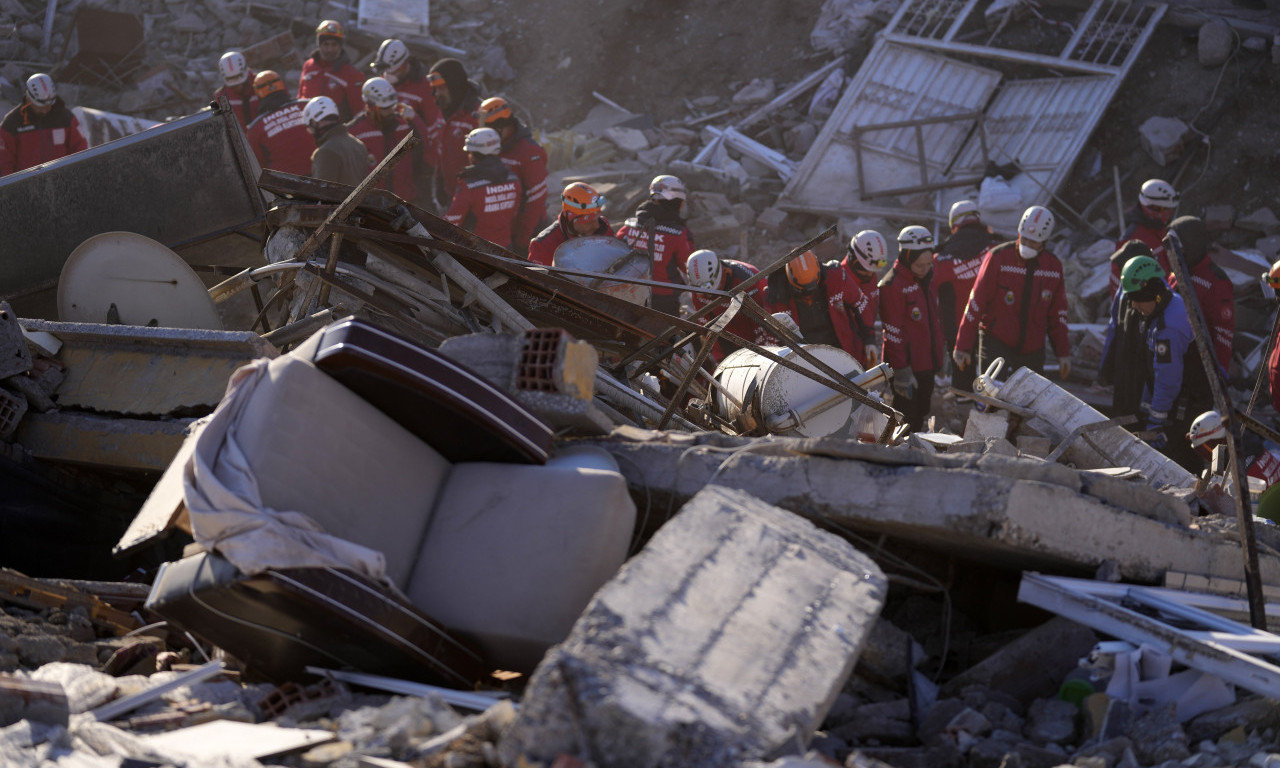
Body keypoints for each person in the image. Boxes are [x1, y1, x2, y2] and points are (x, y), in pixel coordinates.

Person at [954, 205, 1071, 383]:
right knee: (991, 398)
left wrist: (1063, 353)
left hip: (1032, 349)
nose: (1027, 245)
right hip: (995, 341)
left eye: (1033, 242)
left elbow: (1058, 315)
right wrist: (963, 346)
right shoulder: (998, 258)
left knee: (1027, 404)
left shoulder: (1053, 268)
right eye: (1024, 239)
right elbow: (976, 303)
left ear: (1045, 241)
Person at [1105, 255, 1201, 464]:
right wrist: (1146, 407)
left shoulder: (1169, 327)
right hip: (1173, 397)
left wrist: (1156, 421)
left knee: (1177, 456)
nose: (1133, 306)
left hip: (1186, 402)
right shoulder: (1160, 310)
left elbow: (1168, 380)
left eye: (1137, 299)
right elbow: (1154, 370)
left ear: (1153, 293)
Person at [879, 226, 946, 432]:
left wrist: (940, 356)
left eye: (928, 264)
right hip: (906, 366)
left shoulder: (926, 278)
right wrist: (901, 371)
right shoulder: (892, 285)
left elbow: (934, 320)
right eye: (919, 265)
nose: (925, 269)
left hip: (926, 361)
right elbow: (893, 333)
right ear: (906, 256)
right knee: (906, 418)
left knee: (923, 411)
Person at [934, 199, 1000, 393]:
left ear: (954, 226)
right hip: (994, 331)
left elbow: (931, 297)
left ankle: (963, 415)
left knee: (963, 389)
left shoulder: (941, 258)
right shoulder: (996, 249)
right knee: (995, 386)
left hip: (957, 333)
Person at [766, 249, 873, 360]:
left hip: (844, 352)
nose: (809, 295)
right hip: (805, 361)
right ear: (790, 280)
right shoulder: (776, 296)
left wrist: (870, 339)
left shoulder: (836, 276)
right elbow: (771, 339)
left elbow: (860, 302)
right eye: (803, 291)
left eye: (812, 288)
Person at [371, 38, 442, 201]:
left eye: (392, 72)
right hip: (384, 153)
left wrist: (428, 163)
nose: (387, 77)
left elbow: (434, 127)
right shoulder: (382, 81)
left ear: (403, 66)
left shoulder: (425, 88)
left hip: (414, 159)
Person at [615, 174, 695, 316]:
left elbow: (613, 255)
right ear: (677, 202)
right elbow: (690, 268)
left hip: (627, 295)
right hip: (663, 301)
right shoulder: (678, 234)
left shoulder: (628, 226)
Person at [476, 96, 548, 253]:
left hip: (529, 230)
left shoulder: (529, 151)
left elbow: (536, 200)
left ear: (502, 126)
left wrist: (522, 241)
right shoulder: (497, 147)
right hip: (505, 230)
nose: (488, 137)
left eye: (491, 131)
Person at [347, 77, 434, 203]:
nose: (391, 111)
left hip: (406, 198)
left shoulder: (404, 123)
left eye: (392, 106)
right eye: (385, 108)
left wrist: (415, 119)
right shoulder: (355, 132)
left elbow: (425, 145)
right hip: (373, 202)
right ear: (371, 107)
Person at [1166, 215, 1234, 375]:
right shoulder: (1177, 272)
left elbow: (1223, 330)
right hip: (1171, 357)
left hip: (1198, 366)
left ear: (1192, 245)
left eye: (1179, 248)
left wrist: (1220, 368)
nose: (1174, 253)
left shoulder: (1216, 281)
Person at [1098, 240, 1157, 422]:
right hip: (1123, 373)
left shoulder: (1157, 297)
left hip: (1143, 381)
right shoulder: (1123, 291)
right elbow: (1113, 329)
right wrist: (1104, 372)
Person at [684, 249, 771, 363]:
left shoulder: (749, 280)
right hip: (727, 336)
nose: (707, 295)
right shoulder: (697, 291)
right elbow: (708, 329)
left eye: (710, 289)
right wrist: (719, 359)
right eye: (702, 292)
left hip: (753, 329)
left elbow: (765, 322)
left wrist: (763, 355)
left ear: (720, 273)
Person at [443, 127, 521, 249]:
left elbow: (452, 222)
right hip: (505, 249)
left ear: (474, 154)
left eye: (469, 152)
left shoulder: (468, 185)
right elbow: (513, 215)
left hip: (476, 251)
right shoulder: (514, 180)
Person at [0, 73, 87, 176]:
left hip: (62, 179)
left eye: (49, 105)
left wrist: (79, 174)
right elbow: (4, 160)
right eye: (40, 106)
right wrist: (11, 188)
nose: (46, 110)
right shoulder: (12, 123)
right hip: (27, 184)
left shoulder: (66, 118)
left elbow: (80, 147)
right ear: (29, 99)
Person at [1109, 178, 1178, 297]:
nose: (1169, 214)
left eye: (1171, 210)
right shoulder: (1131, 241)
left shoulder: (1161, 229)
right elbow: (1120, 285)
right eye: (1165, 210)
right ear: (1151, 208)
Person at [428, 58, 482, 205]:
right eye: (436, 89)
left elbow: (487, 163)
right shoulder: (444, 111)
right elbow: (441, 151)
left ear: (454, 85)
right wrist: (439, 183)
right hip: (451, 195)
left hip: (473, 199)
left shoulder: (477, 116)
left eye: (442, 88)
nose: (437, 93)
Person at [528, 182, 614, 267]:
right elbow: (535, 279)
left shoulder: (603, 226)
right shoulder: (544, 246)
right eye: (589, 222)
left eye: (597, 218)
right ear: (570, 217)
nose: (597, 225)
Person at [245, 70, 313, 176]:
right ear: (282, 85)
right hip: (324, 175)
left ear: (258, 93)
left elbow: (257, 166)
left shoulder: (255, 128)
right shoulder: (307, 105)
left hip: (287, 186)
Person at [840, 230, 889, 369]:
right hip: (847, 349)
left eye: (872, 270)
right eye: (866, 269)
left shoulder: (870, 276)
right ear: (855, 261)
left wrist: (869, 339)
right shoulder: (839, 280)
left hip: (865, 339)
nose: (870, 274)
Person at [298, 20, 365, 121]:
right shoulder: (308, 66)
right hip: (307, 128)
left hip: (335, 132)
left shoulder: (352, 75)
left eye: (334, 44)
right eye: (326, 44)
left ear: (340, 46)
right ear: (319, 45)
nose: (330, 49)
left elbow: (359, 114)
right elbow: (299, 98)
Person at [304, 96, 371, 187]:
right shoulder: (358, 144)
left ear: (315, 122)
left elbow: (321, 194)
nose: (310, 132)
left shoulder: (325, 151)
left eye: (309, 128)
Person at [214, 51, 258, 128]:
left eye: (242, 83)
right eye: (234, 86)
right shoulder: (221, 97)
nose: (239, 87)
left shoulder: (263, 83)